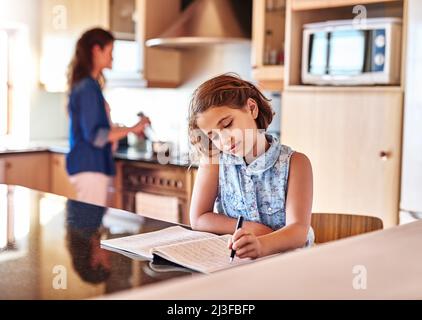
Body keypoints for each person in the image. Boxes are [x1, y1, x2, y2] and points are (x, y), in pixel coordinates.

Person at [188, 73, 314, 260]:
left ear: (252, 108)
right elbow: (198, 218)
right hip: (238, 264)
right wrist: (251, 228)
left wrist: (261, 244)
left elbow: (298, 231)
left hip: (289, 264)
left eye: (227, 124)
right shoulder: (213, 162)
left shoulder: (296, 163)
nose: (223, 140)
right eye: (213, 136)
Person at [66, 28, 149, 206]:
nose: (113, 57)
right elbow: (97, 136)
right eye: (110, 51)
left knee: (89, 226)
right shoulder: (88, 87)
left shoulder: (89, 85)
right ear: (96, 50)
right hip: (90, 167)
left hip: (90, 166)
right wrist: (133, 128)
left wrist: (129, 130)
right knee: (88, 227)